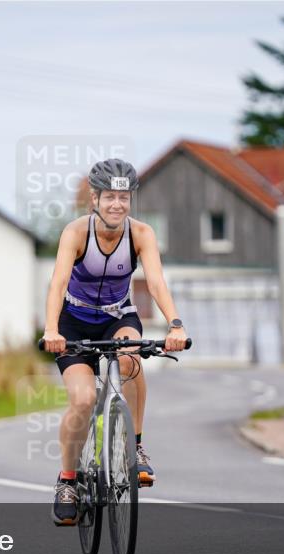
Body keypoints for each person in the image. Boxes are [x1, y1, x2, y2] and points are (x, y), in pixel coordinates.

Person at [41, 158, 188, 526]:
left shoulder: (141, 234)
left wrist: (175, 325)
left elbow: (156, 283)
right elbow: (58, 283)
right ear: (94, 199)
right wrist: (52, 330)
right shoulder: (76, 233)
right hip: (74, 322)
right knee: (83, 400)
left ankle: (135, 447)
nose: (117, 205)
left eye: (124, 197)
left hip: (117, 316)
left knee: (130, 358)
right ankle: (68, 481)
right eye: (109, 197)